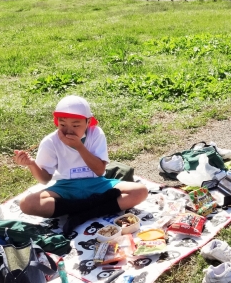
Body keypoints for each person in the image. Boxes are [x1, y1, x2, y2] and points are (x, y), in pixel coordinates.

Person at [14, 95, 148, 235]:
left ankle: (81, 212)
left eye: (76, 125)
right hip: (66, 187)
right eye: (62, 124)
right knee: (27, 204)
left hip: (96, 183)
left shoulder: (96, 134)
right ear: (56, 122)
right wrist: (31, 164)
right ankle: (89, 208)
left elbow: (99, 170)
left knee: (140, 191)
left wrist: (79, 147)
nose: (68, 130)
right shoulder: (50, 142)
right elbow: (44, 179)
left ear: (88, 122)